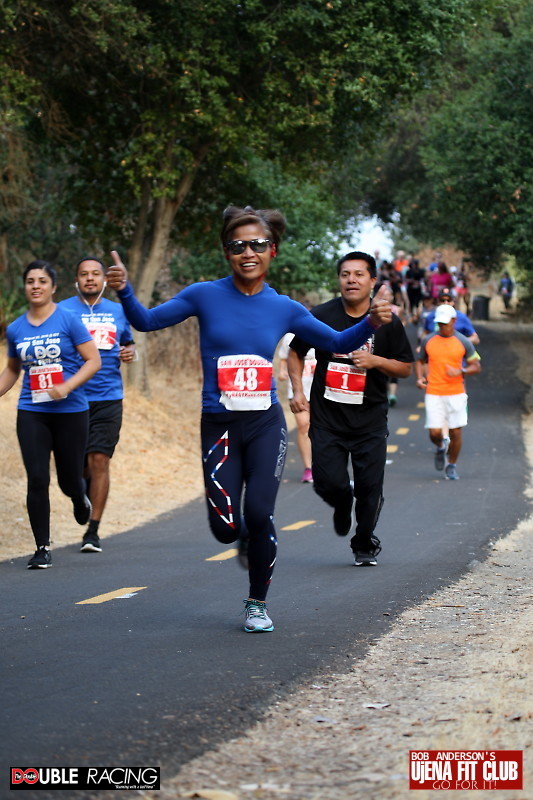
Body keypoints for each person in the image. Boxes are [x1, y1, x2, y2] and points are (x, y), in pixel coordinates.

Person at [105, 207, 392, 632]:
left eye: (257, 244)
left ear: (272, 250)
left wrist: (370, 321)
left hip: (264, 425)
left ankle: (257, 603)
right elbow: (147, 322)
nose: (248, 252)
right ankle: (240, 538)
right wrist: (125, 290)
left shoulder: (284, 307)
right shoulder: (204, 295)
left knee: (259, 513)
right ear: (227, 253)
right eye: (237, 245)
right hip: (219, 425)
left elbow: (336, 341)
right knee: (226, 528)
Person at [288, 251, 413, 567]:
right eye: (345, 274)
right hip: (327, 418)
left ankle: (364, 543)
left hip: (369, 420)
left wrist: (375, 361)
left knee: (370, 487)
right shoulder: (320, 315)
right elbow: (295, 353)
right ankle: (342, 504)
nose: (351, 280)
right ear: (339, 280)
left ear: (372, 281)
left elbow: (405, 368)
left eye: (359, 274)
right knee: (327, 482)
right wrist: (298, 390)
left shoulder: (387, 321)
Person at [0, 261, 101, 568]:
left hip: (71, 411)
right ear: (25, 287)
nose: (36, 286)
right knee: (37, 478)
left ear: (53, 287)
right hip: (33, 411)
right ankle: (42, 547)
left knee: (68, 479)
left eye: (42, 281)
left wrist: (67, 386)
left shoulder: (68, 320)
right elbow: (13, 370)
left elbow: (93, 360)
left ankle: (78, 496)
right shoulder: (16, 329)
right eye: (30, 281)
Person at [59, 257, 136, 553]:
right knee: (75, 469)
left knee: (100, 460)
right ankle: (80, 496)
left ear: (104, 279)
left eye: (95, 274)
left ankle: (92, 531)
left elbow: (127, 343)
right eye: (84, 274)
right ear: (76, 280)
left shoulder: (118, 311)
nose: (90, 278)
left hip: (108, 397)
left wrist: (130, 353)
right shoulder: (61, 311)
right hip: (72, 399)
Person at [415, 303, 481, 480]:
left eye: (445, 323)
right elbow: (420, 360)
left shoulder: (463, 341)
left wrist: (461, 371)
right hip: (434, 391)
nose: (442, 326)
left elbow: (476, 366)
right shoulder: (429, 340)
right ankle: (440, 446)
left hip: (456, 392)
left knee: (456, 432)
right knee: (434, 432)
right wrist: (420, 378)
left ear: (453, 321)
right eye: (439, 323)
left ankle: (451, 465)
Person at [277, 332, 316, 483]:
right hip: (297, 389)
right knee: (303, 426)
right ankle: (308, 468)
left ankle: (320, 464)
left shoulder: (319, 330)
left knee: (318, 427)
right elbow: (284, 357)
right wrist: (282, 371)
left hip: (317, 388)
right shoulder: (289, 337)